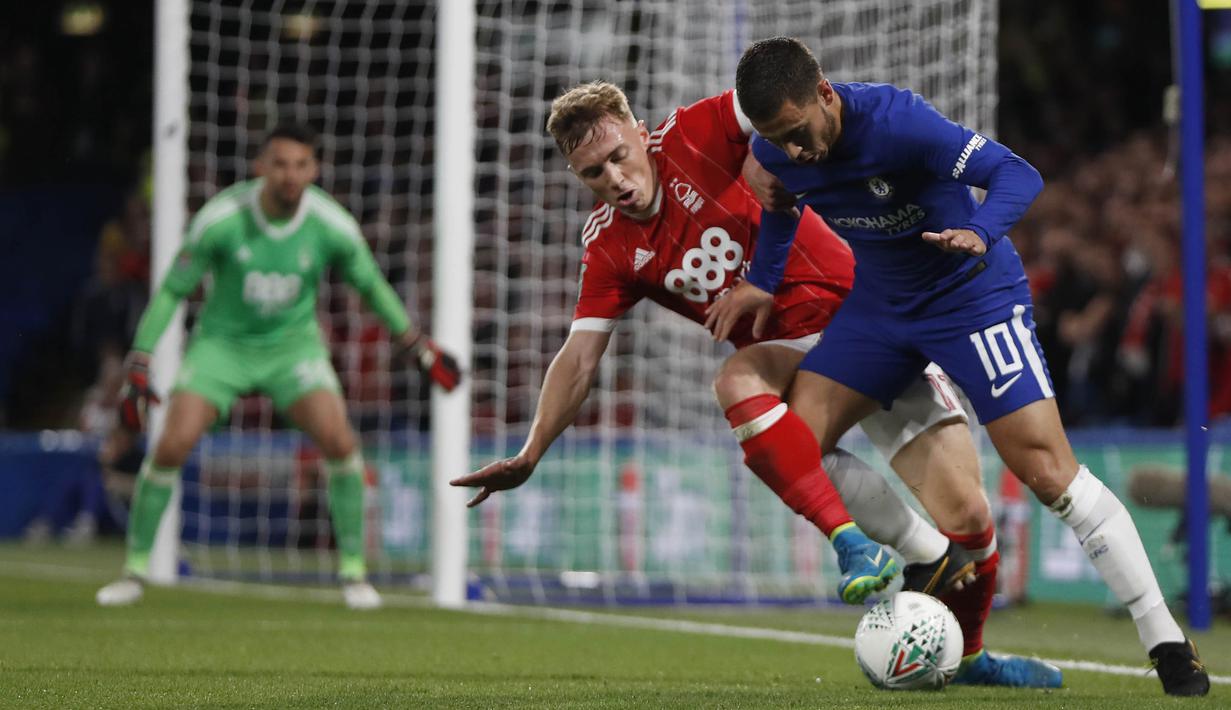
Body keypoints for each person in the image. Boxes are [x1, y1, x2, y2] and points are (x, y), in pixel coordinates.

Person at [450, 80, 1058, 687]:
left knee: (972, 519)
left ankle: (970, 653)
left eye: (618, 156)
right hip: (794, 356)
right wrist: (531, 452)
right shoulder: (610, 244)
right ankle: (865, 546)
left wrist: (769, 149)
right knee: (739, 382)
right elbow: (580, 358)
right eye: (592, 172)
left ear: (640, 132)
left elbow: (778, 91)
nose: (612, 177)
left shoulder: (693, 133)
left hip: (870, 318)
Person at [710, 36, 1208, 696]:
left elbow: (1017, 174)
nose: (794, 152)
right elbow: (779, 209)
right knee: (795, 447)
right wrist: (764, 281)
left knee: (1046, 472)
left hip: (969, 295)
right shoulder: (773, 149)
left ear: (824, 95)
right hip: (881, 309)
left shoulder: (898, 123)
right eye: (778, 139)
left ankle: (1164, 641)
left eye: (798, 133)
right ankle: (929, 555)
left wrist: (983, 229)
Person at [94, 123, 461, 611]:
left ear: (315, 169)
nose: (291, 175)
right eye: (280, 164)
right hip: (221, 348)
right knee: (172, 444)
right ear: (261, 167)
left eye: (301, 165)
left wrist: (416, 346)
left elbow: (371, 287)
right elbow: (171, 291)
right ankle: (135, 570)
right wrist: (140, 359)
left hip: (293, 349)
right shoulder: (221, 219)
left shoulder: (332, 225)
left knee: (340, 442)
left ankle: (354, 573)